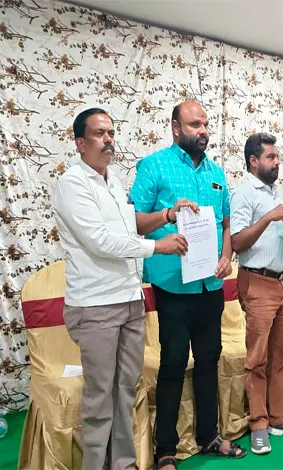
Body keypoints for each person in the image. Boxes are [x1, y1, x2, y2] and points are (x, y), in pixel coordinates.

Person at [52, 108, 188, 470]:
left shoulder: (114, 182)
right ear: (80, 143)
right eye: (99, 134)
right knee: (99, 400)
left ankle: (124, 465)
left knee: (126, 393)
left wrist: (167, 215)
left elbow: (131, 227)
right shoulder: (72, 184)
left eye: (111, 132)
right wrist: (158, 246)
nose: (108, 139)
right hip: (95, 305)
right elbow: (99, 241)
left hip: (129, 301)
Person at [130, 101, 244, 469]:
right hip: (173, 286)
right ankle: (166, 449)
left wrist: (226, 256)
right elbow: (133, 221)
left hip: (210, 285)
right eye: (195, 124)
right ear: (176, 128)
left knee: (209, 359)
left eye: (205, 124)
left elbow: (226, 224)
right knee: (174, 363)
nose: (203, 130)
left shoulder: (216, 173)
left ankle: (209, 436)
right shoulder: (154, 166)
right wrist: (167, 216)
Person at [231, 132, 283, 455]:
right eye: (271, 157)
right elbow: (237, 242)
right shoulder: (243, 194)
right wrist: (267, 217)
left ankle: (280, 417)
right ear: (254, 161)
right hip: (257, 282)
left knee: (281, 355)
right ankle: (259, 424)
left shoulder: (279, 193)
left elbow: (281, 235)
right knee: (257, 359)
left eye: (277, 156)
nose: (277, 162)